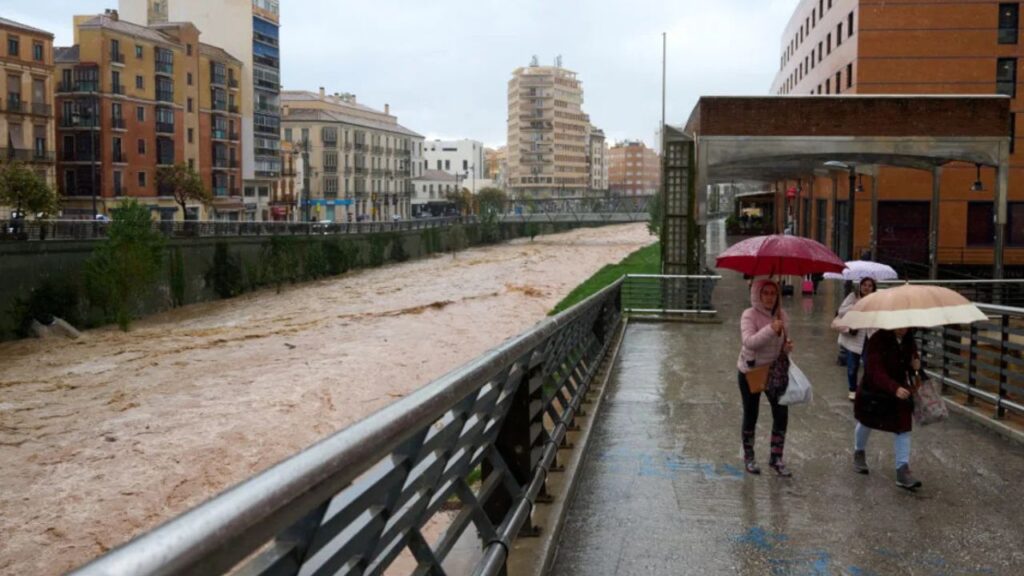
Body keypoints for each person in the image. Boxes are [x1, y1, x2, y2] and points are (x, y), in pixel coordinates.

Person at [853, 328, 924, 490]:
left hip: (900, 393)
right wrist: (894, 388)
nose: (904, 329)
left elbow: (912, 366)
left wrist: (916, 366)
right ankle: (859, 451)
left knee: (903, 427)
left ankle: (902, 470)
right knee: (866, 423)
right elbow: (874, 371)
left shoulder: (908, 340)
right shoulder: (877, 339)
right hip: (874, 391)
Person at [737, 279, 795, 476]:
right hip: (751, 372)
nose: (770, 297)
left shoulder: (782, 315)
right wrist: (771, 329)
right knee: (751, 414)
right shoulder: (749, 315)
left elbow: (781, 347)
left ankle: (776, 457)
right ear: (757, 295)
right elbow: (749, 342)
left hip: (774, 372)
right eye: (766, 293)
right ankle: (749, 457)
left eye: (773, 293)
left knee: (781, 414)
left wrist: (786, 349)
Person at [833, 277, 878, 401]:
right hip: (855, 338)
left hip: (870, 337)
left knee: (869, 367)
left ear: (873, 288)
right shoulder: (852, 297)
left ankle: (865, 389)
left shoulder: (876, 301)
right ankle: (852, 389)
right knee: (852, 367)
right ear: (860, 286)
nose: (866, 287)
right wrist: (856, 306)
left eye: (870, 285)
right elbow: (841, 311)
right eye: (864, 285)